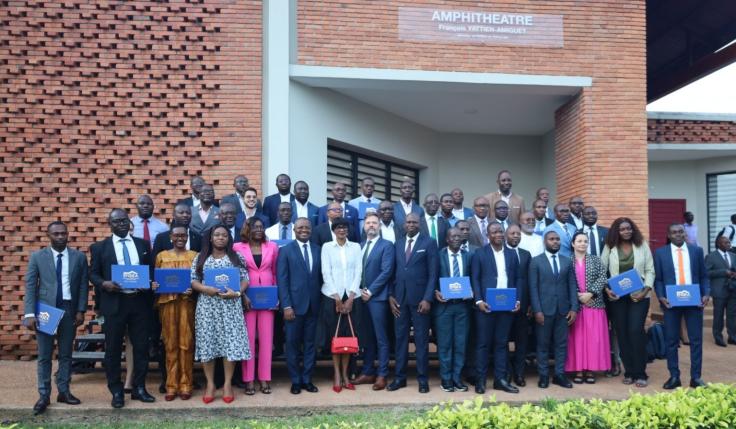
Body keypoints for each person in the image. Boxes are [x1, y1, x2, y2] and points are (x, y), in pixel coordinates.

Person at [89, 208, 154, 408]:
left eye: (124, 220)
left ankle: (139, 388)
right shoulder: (100, 247)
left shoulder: (142, 245)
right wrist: (104, 284)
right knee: (114, 349)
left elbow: (150, 270)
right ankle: (116, 391)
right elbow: (93, 274)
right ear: (110, 224)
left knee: (142, 347)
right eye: (116, 221)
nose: (121, 224)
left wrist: (149, 282)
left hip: (139, 302)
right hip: (114, 304)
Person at [24, 221, 89, 415]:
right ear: (48, 235)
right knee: (44, 355)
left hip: (69, 310)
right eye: (56, 234)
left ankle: (64, 391)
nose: (60, 237)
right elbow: (30, 285)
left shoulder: (78, 257)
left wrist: (81, 310)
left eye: (63, 233)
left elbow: (83, 285)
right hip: (45, 310)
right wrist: (29, 313)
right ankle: (44, 394)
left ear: (68, 234)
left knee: (66, 354)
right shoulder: (37, 257)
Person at [190, 224, 251, 404]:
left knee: (229, 345)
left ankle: (227, 384)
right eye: (217, 235)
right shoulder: (201, 257)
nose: (220, 238)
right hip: (207, 308)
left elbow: (245, 279)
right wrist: (205, 288)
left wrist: (238, 293)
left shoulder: (236, 257)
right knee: (208, 344)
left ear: (228, 238)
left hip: (230, 307)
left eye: (224, 235)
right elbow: (193, 280)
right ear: (210, 238)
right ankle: (210, 384)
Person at [654, 223, 710, 389]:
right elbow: (658, 279)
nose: (678, 234)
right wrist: (661, 296)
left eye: (680, 232)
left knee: (696, 340)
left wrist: (706, 293)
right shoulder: (660, 253)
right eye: (674, 232)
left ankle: (696, 377)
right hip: (671, 302)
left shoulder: (696, 251)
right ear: (668, 235)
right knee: (671, 340)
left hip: (694, 301)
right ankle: (674, 376)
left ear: (685, 234)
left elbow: (704, 276)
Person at [600, 217, 655, 387]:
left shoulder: (641, 245)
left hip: (639, 296)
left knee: (635, 331)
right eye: (622, 229)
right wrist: (607, 289)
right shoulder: (610, 247)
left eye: (629, 228)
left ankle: (641, 372)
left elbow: (650, 270)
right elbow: (602, 271)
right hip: (617, 297)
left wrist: (645, 291)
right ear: (617, 231)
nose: (626, 232)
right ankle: (629, 371)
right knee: (622, 333)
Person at [388, 213, 438, 393]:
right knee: (400, 340)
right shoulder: (398, 243)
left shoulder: (429, 243)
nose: (411, 224)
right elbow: (393, 272)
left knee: (421, 341)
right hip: (399, 300)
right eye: (408, 222)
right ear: (404, 224)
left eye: (414, 222)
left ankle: (422, 379)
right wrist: (391, 295)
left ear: (420, 224)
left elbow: (433, 274)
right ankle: (400, 378)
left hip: (420, 302)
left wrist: (427, 298)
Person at [471, 222, 521, 394]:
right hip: (486, 306)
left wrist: (517, 300)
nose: (499, 234)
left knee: (501, 344)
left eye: (501, 231)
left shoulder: (512, 254)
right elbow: (475, 279)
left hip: (506, 306)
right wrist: (478, 301)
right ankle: (480, 381)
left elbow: (517, 279)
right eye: (494, 232)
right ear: (488, 235)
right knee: (483, 344)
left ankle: (500, 380)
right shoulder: (479, 253)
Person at [232, 217, 279, 394]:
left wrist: (276, 297)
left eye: (261, 227)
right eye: (255, 227)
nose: (259, 230)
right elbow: (236, 273)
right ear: (248, 229)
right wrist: (241, 294)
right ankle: (249, 379)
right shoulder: (237, 247)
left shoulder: (272, 247)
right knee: (249, 339)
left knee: (267, 340)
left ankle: (265, 379)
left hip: (268, 298)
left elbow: (275, 272)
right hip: (247, 298)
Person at [152, 223, 198, 401]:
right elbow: (157, 280)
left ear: (187, 237)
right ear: (170, 237)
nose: (180, 239)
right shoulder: (162, 256)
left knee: (186, 343)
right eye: (176, 236)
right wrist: (154, 286)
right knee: (170, 344)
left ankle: (186, 384)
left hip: (187, 303)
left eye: (183, 236)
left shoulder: (194, 256)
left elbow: (198, 279)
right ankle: (171, 385)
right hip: (168, 303)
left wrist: (192, 289)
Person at [277, 218, 322, 395]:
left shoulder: (318, 250)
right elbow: (282, 280)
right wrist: (286, 306)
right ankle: (295, 380)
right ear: (294, 230)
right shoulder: (286, 251)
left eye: (307, 227)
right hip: (293, 307)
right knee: (293, 344)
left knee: (311, 344)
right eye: (300, 227)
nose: (304, 230)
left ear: (311, 230)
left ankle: (307, 379)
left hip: (314, 305)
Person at [529, 230, 578, 389]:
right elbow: (533, 288)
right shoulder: (536, 261)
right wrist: (537, 310)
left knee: (561, 344)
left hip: (563, 310)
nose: (555, 242)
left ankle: (559, 374)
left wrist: (574, 308)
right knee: (542, 345)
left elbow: (572, 285)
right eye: (552, 239)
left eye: (557, 239)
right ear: (545, 242)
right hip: (544, 310)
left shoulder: (566, 261)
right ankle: (543, 376)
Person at [351, 212, 395, 390]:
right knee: (367, 337)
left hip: (377, 298)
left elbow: (386, 271)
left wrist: (370, 290)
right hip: (361, 298)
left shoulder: (387, 246)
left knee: (381, 338)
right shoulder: (359, 246)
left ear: (379, 226)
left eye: (374, 223)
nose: (371, 225)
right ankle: (368, 372)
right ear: (364, 226)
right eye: (368, 222)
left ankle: (382, 374)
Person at [320, 218, 362, 392]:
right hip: (331, 297)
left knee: (348, 338)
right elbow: (326, 272)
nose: (342, 230)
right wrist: (337, 298)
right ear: (334, 230)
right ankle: (336, 373)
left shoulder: (356, 247)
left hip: (353, 297)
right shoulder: (327, 247)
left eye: (344, 227)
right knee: (335, 337)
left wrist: (351, 297)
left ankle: (345, 374)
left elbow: (359, 271)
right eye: (338, 227)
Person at [565, 231, 610, 384]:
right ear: (573, 244)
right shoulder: (567, 261)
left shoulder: (596, 260)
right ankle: (578, 369)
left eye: (585, 241)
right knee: (576, 339)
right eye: (579, 241)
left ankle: (590, 369)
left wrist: (590, 294)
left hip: (594, 304)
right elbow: (564, 281)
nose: (583, 243)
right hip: (575, 306)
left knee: (593, 339)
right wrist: (578, 296)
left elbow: (603, 277)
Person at [433, 227, 471, 393]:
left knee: (460, 344)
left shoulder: (468, 256)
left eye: (458, 236)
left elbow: (474, 278)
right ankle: (446, 378)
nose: (456, 238)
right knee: (445, 344)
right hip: (444, 307)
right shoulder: (438, 256)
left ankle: (457, 377)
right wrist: (435, 291)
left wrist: (472, 291)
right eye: (452, 236)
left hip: (463, 307)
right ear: (447, 239)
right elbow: (431, 277)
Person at [504, 224, 533, 387]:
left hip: (523, 305)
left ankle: (520, 373)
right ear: (506, 235)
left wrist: (529, 303)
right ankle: (507, 372)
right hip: (505, 305)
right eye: (512, 233)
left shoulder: (526, 254)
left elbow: (529, 280)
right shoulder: (502, 253)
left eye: (518, 233)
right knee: (504, 341)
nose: (516, 236)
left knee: (522, 342)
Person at [706, 235, 736, 347]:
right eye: (726, 243)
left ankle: (732, 337)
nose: (728, 244)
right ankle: (718, 337)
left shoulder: (733, 256)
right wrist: (723, 272)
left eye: (729, 242)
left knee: (732, 315)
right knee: (718, 315)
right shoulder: (711, 257)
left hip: (733, 290)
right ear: (719, 244)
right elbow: (706, 273)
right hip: (719, 291)